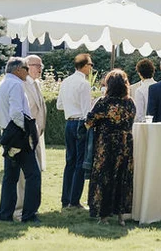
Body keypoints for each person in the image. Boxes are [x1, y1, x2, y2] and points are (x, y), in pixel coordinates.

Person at [85, 69, 136, 225]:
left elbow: (89, 122)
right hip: (125, 143)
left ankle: (104, 216)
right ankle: (121, 216)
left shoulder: (104, 102)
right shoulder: (130, 102)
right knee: (122, 178)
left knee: (104, 177)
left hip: (106, 144)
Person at [0, 57, 41, 222]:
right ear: (18, 69)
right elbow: (16, 113)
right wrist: (27, 130)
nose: (28, 72)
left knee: (10, 176)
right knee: (33, 175)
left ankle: (5, 214)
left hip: (6, 133)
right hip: (18, 135)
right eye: (26, 68)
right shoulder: (15, 85)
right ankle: (29, 215)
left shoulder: (2, 84)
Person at [14, 54, 48, 221]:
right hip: (25, 137)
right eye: (36, 65)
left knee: (34, 175)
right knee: (23, 177)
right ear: (27, 66)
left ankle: (31, 208)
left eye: (41, 65)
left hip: (36, 137)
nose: (40, 69)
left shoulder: (36, 84)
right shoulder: (22, 85)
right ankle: (19, 210)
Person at [58, 52, 93, 209]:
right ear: (85, 66)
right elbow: (86, 111)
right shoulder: (84, 84)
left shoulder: (66, 81)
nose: (91, 68)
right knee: (80, 162)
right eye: (91, 65)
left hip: (69, 122)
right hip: (80, 122)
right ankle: (74, 200)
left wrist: (71, 106)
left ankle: (65, 199)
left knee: (69, 162)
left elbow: (59, 105)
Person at [131, 58, 156, 122]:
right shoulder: (160, 87)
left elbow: (139, 115)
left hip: (145, 126)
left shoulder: (139, 90)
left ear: (139, 73)